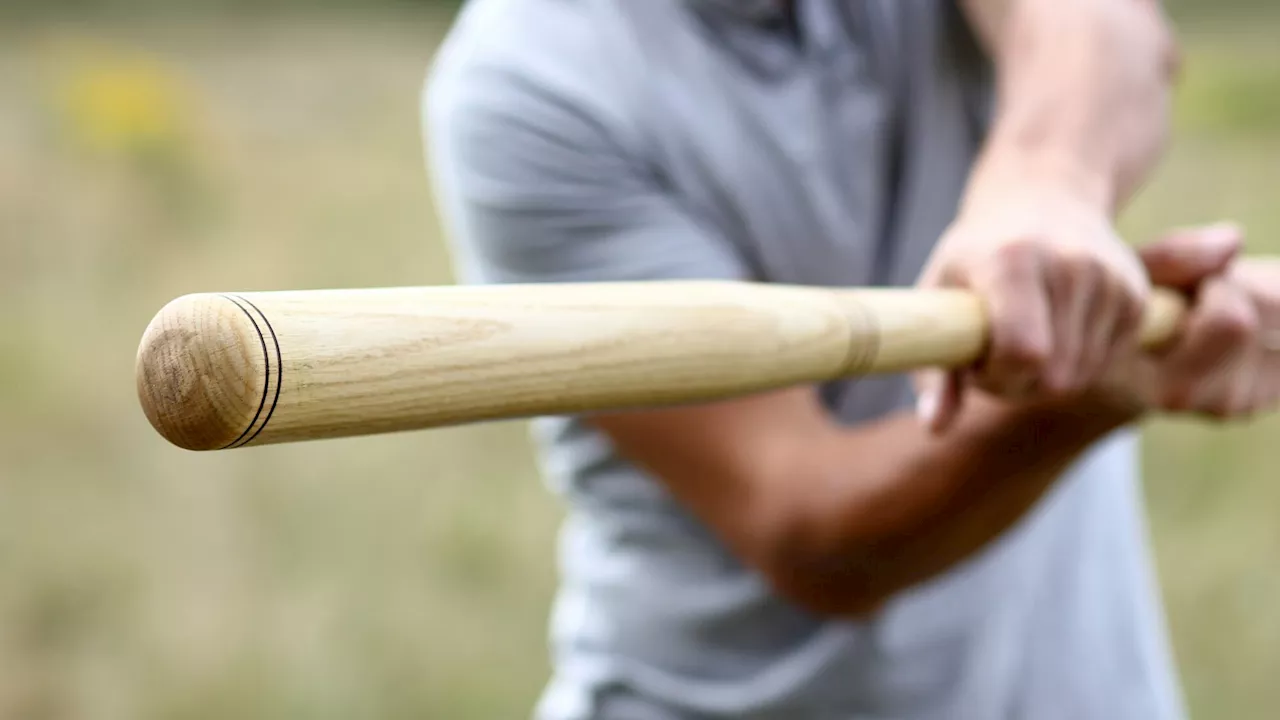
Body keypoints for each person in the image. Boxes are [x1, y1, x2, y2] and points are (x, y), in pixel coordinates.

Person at [422, 1, 1280, 717]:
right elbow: (809, 529)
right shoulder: (528, 83)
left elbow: (1108, 33)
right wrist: (1090, 391)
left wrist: (1041, 191)